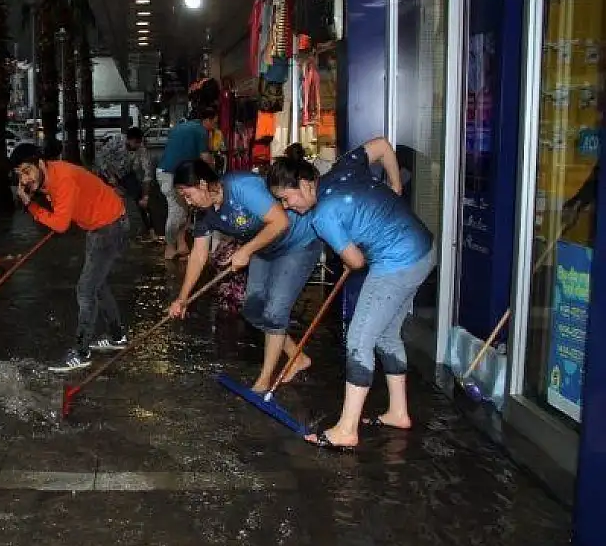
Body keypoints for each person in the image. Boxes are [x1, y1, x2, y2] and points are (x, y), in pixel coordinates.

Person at [265, 139, 432, 451]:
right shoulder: (344, 166)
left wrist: (350, 253)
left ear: (304, 184)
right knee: (385, 336)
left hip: (397, 262)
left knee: (358, 341)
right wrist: (396, 186)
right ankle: (398, 412)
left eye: (287, 199)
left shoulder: (322, 216)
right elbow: (382, 146)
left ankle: (346, 429)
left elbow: (356, 262)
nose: (288, 207)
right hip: (423, 250)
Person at [167, 159, 322, 391]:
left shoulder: (241, 186)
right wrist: (183, 297)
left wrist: (246, 250)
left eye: (188, 194)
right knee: (253, 309)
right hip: (264, 247)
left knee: (274, 311)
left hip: (297, 242)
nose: (188, 201)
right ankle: (297, 357)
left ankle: (264, 381)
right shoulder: (206, 214)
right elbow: (199, 255)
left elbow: (280, 221)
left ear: (202, 184)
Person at [10, 143, 131, 372]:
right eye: (19, 175)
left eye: (27, 171)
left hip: (109, 226)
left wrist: (31, 206)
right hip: (101, 223)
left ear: (41, 164)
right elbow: (61, 211)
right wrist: (35, 197)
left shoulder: (63, 179)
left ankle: (81, 352)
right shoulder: (48, 177)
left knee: (85, 290)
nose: (24, 179)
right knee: (98, 286)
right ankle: (117, 337)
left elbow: (60, 224)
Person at [157, 108, 217, 259]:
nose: (214, 127)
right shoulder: (201, 131)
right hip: (172, 175)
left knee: (184, 210)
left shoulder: (180, 126)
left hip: (167, 172)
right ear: (207, 120)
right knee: (176, 211)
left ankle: (181, 244)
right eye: (214, 123)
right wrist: (213, 170)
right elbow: (204, 157)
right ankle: (170, 248)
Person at [94, 127, 158, 240]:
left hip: (126, 173)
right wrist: (110, 177)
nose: (138, 145)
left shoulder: (141, 149)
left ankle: (150, 230)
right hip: (107, 172)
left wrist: (145, 196)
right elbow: (99, 158)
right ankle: (104, 227)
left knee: (139, 196)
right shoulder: (116, 140)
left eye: (139, 143)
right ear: (129, 140)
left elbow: (147, 172)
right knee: (109, 199)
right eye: (136, 142)